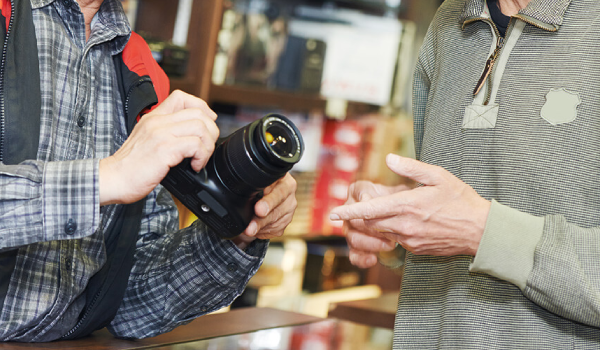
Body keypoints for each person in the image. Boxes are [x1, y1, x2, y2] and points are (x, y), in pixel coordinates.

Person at [0, 0, 297, 342]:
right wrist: (108, 178)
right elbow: (115, 177)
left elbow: (131, 303)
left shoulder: (139, 69)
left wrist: (241, 232)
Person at [330, 0, 600, 348]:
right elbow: (464, 199)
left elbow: (474, 221)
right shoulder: (449, 22)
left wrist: (482, 231)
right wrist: (397, 220)